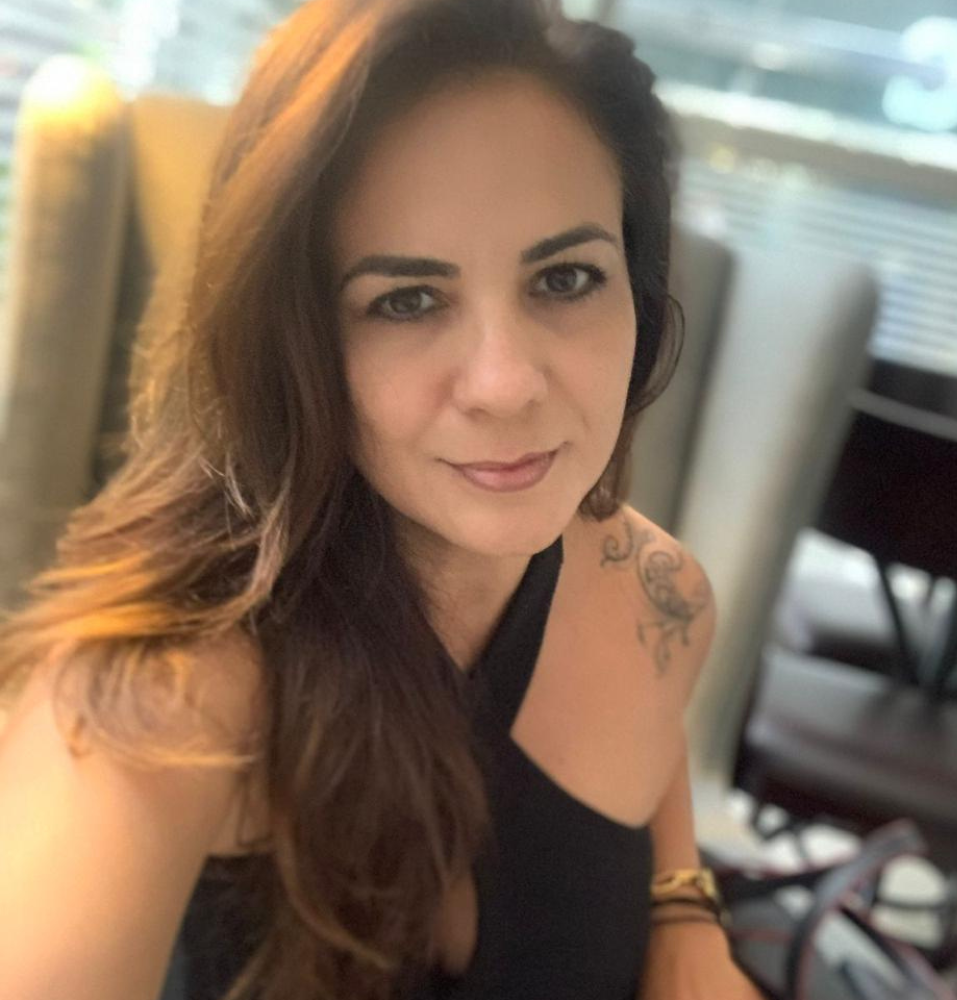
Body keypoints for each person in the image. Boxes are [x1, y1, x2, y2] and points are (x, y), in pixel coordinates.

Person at [0, 1, 763, 998]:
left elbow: (644, 733)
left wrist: (683, 905)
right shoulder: (165, 705)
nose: (505, 384)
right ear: (298, 340)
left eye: (566, 277)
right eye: (406, 300)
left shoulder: (660, 596)